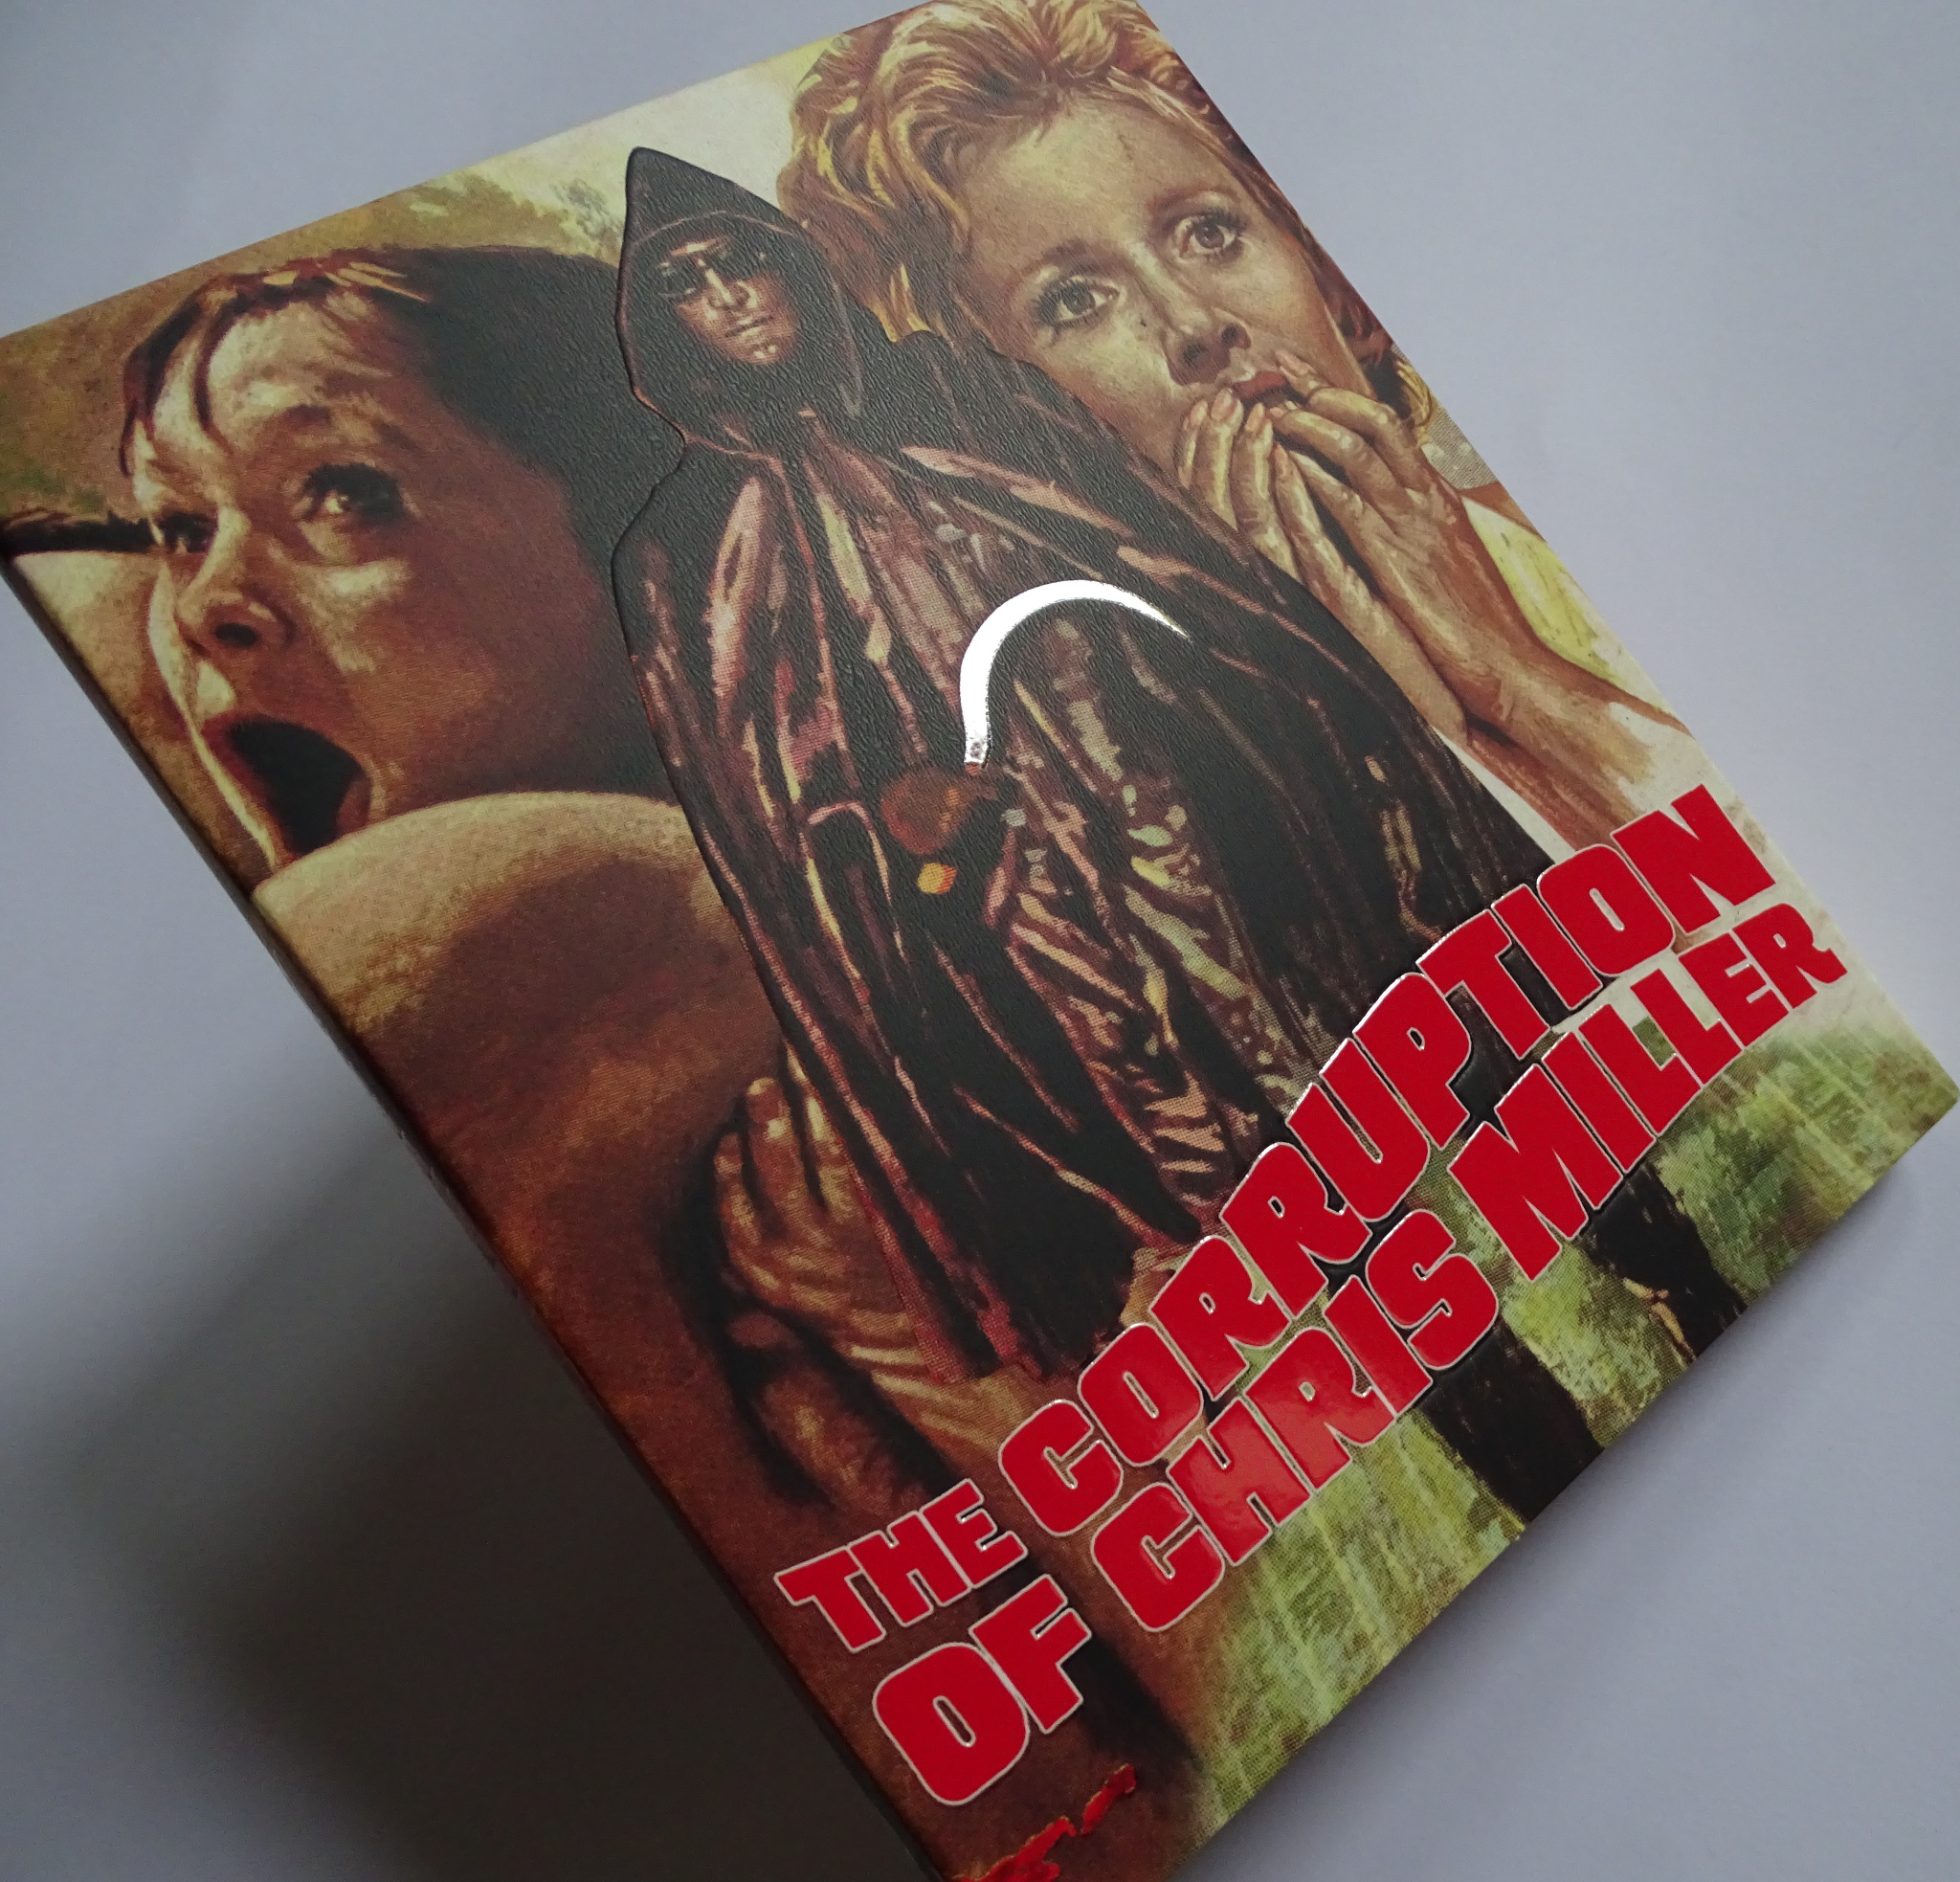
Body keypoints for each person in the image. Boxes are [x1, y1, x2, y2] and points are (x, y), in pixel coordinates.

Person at [612, 150, 1712, 1542]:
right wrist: (890, 829)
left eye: (742, 258)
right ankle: (1541, 1476)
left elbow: (1165, 551)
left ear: (789, 263)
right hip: (1046, 933)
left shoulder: (953, 386)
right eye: (690, 283)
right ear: (663, 327)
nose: (730, 297)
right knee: (1301, 1208)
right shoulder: (681, 551)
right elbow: (770, 814)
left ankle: (1686, 1281)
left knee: (1475, 1054)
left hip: (1219, 810)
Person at [780, 0, 1704, 854]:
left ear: (1338, 290)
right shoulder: (1120, 784)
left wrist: (1519, 683)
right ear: (1007, 435)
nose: (1194, 324)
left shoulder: (1620, 523)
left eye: (1209, 232)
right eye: (1075, 300)